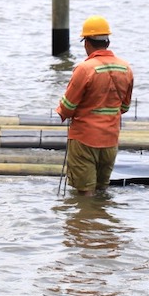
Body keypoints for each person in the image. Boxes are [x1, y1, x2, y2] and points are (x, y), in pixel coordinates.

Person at [55, 15, 134, 196]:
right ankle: (101, 221)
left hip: (85, 140)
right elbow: (125, 107)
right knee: (101, 190)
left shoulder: (85, 69)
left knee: (85, 192)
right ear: (107, 41)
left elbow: (67, 107)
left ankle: (86, 220)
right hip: (110, 140)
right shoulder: (126, 68)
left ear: (87, 43)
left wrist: (61, 112)